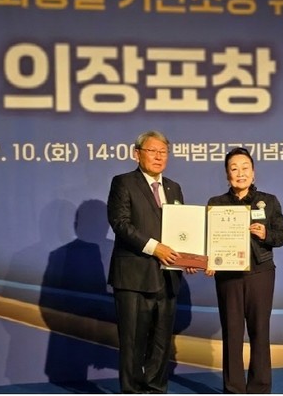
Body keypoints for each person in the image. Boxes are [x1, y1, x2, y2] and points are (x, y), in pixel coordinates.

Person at [107, 130, 192, 393]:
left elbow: (183, 231)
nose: (158, 156)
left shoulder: (174, 187)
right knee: (133, 342)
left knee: (161, 342)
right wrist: (156, 248)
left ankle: (156, 390)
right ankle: (132, 391)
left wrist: (188, 257)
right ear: (137, 154)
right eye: (152, 151)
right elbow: (121, 224)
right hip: (134, 277)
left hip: (168, 276)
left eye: (163, 152)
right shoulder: (123, 183)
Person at [205, 147, 283, 394]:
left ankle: (259, 388)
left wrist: (266, 234)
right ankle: (234, 389)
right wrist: (208, 260)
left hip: (260, 274)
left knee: (259, 331)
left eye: (245, 168)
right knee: (232, 333)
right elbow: (208, 240)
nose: (240, 173)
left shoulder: (268, 201)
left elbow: (282, 236)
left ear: (253, 173)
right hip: (228, 276)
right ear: (227, 174)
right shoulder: (216, 204)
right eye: (234, 168)